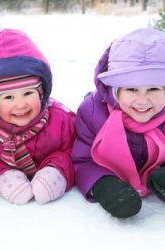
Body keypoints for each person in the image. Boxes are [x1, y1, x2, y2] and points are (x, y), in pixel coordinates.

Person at [0, 28, 76, 205]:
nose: (20, 105)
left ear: (41, 93)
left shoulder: (60, 119)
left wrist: (57, 169)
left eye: (27, 93)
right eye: (8, 97)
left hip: (51, 172)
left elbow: (75, 150)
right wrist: (1, 175)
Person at [72, 28, 165, 218]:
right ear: (114, 90)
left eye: (153, 88)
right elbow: (83, 159)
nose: (142, 100)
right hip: (109, 175)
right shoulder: (92, 113)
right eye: (131, 89)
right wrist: (103, 185)